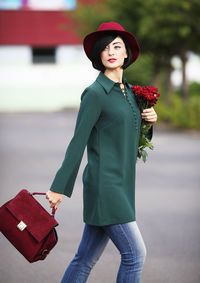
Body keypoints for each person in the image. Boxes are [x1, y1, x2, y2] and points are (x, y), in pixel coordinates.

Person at [46, 22, 157, 283]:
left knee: (84, 259)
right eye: (105, 48)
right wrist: (59, 187)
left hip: (123, 185)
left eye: (117, 46)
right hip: (105, 187)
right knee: (135, 254)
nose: (111, 51)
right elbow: (78, 142)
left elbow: (132, 138)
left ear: (127, 53)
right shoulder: (94, 94)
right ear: (98, 55)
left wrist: (149, 124)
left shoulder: (130, 93)